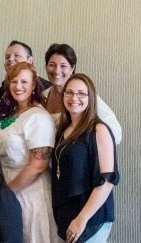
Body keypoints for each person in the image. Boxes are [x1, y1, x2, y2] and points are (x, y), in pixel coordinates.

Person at [0, 62, 59, 242]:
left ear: (33, 85)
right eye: (14, 81)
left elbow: (38, 164)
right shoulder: (10, 114)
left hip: (29, 192)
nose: (18, 86)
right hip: (5, 186)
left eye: (24, 82)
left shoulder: (38, 117)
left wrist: (6, 193)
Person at [51, 74, 120, 243]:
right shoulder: (63, 130)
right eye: (69, 92)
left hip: (90, 216)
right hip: (67, 211)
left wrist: (82, 219)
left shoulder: (99, 130)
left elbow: (107, 181)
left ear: (91, 98)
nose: (74, 98)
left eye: (81, 93)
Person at [43, 43, 122, 144]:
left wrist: (84, 148)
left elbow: (115, 132)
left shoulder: (84, 96)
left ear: (72, 68)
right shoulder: (42, 95)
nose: (57, 70)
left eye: (63, 66)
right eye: (52, 65)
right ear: (46, 67)